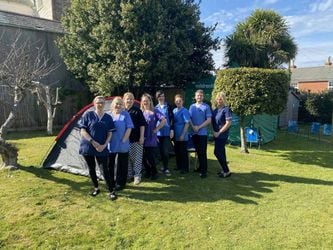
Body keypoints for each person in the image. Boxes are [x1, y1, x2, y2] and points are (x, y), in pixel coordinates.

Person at [78, 96, 117, 200]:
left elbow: (110, 133)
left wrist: (104, 145)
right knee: (91, 169)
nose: (100, 104)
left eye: (102, 102)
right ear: (94, 104)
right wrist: (93, 142)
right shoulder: (88, 115)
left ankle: (111, 191)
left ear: (104, 104)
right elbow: (83, 131)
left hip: (102, 147)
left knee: (105, 169)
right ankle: (96, 188)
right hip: (88, 146)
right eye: (98, 102)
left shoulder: (108, 117)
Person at [108, 97, 134, 191]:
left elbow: (129, 127)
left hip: (123, 143)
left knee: (122, 164)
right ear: (113, 104)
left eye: (120, 104)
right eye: (116, 103)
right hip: (111, 143)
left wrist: (124, 139)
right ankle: (110, 181)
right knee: (110, 164)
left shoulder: (125, 114)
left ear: (122, 105)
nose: (118, 105)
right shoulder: (108, 115)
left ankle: (121, 183)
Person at [141, 93, 166, 180]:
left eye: (147, 101)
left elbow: (163, 120)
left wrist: (157, 129)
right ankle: (148, 171)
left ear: (150, 101)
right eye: (144, 101)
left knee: (150, 156)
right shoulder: (141, 111)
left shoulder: (155, 110)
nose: (145, 102)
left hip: (151, 137)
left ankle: (154, 172)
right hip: (141, 137)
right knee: (142, 157)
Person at [123, 92, 146, 185]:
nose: (129, 101)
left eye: (131, 99)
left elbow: (142, 125)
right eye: (127, 99)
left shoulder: (137, 111)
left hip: (136, 139)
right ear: (124, 100)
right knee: (127, 159)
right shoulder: (121, 110)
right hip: (123, 141)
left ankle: (137, 176)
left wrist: (141, 137)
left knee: (137, 159)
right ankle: (129, 175)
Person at [189, 89, 212, 178]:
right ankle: (199, 167)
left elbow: (209, 120)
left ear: (203, 97)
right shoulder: (191, 107)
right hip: (194, 133)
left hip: (202, 133)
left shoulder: (206, 107)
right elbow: (189, 118)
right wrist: (193, 126)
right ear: (195, 97)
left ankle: (203, 171)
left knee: (202, 152)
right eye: (197, 95)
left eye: (201, 95)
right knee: (198, 152)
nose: (199, 97)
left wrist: (199, 127)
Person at [212, 92, 232, 178]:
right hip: (215, 134)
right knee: (222, 152)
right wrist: (213, 132)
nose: (219, 100)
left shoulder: (226, 109)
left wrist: (219, 132)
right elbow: (212, 122)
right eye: (218, 99)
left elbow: (228, 123)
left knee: (217, 152)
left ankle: (226, 170)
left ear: (224, 100)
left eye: (221, 99)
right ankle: (224, 169)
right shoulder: (215, 110)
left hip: (222, 135)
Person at [155, 90, 174, 176]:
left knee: (166, 151)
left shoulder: (168, 106)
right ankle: (162, 167)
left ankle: (166, 168)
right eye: (159, 96)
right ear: (157, 97)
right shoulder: (155, 108)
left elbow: (172, 119)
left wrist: (172, 129)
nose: (161, 97)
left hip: (166, 132)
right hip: (158, 133)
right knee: (160, 151)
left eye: (162, 96)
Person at [173, 94, 190, 173]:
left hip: (182, 135)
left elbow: (187, 123)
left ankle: (185, 168)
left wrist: (183, 134)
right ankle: (179, 166)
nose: (178, 102)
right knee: (177, 151)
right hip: (176, 135)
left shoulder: (185, 111)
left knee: (183, 152)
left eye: (180, 101)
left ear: (182, 101)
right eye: (177, 101)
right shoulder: (174, 110)